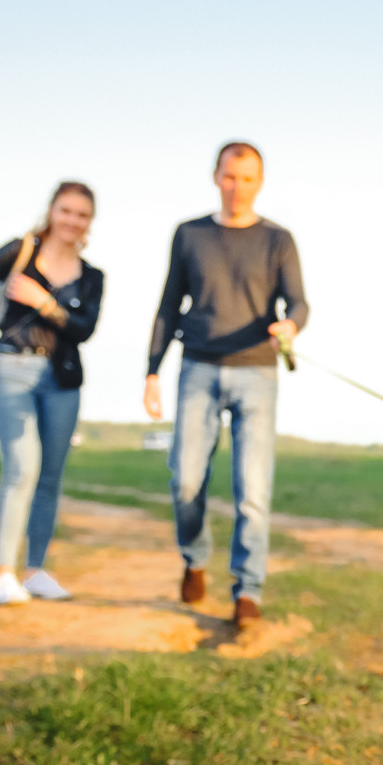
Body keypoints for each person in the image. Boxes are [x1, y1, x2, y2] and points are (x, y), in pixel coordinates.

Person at [144, 141, 306, 632]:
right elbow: (169, 306)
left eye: (249, 179)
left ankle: (247, 591)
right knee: (185, 479)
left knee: (252, 490)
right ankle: (194, 558)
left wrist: (290, 327)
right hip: (198, 368)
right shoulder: (190, 235)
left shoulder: (279, 240)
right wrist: (152, 371)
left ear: (261, 182)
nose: (239, 188)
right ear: (217, 177)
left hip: (257, 372)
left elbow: (298, 303)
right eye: (231, 177)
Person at [0, 181, 102, 605]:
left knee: (49, 477)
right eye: (66, 211)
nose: (72, 220)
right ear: (52, 211)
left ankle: (36, 570)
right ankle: (4, 574)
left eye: (81, 214)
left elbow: (84, 329)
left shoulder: (92, 277)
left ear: (89, 222)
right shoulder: (18, 253)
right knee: (21, 469)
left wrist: (46, 304)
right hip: (14, 371)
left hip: (62, 379)